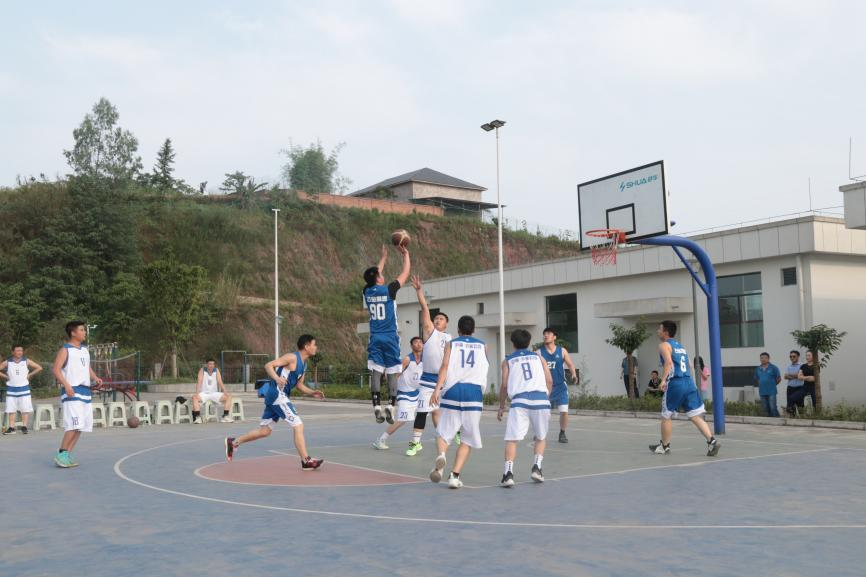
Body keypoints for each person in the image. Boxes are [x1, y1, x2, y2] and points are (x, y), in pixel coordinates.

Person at [225, 335, 324, 470]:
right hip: (278, 395)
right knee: (298, 425)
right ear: (306, 346)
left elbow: (299, 385)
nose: (316, 347)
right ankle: (305, 460)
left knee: (265, 431)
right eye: (314, 344)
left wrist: (312, 392)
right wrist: (277, 378)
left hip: (277, 397)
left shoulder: (304, 364)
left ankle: (234, 442)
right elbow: (268, 365)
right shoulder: (292, 358)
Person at [429, 315, 489, 489]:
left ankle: (442, 455)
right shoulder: (483, 345)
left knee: (443, 432)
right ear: (473, 329)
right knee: (467, 438)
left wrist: (437, 389)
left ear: (458, 329)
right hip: (473, 393)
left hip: (453, 391)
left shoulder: (451, 344)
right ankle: (454, 476)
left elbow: (445, 366)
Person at [649, 320, 720, 457]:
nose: (657, 331)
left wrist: (663, 380)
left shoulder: (664, 345)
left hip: (676, 383)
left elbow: (668, 363)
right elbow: (690, 366)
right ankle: (712, 441)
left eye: (659, 329)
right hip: (689, 382)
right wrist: (691, 383)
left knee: (666, 415)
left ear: (665, 332)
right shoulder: (681, 347)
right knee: (694, 415)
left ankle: (664, 446)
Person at [498, 329, 553, 487]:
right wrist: (546, 397)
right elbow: (549, 381)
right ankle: (537, 468)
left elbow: (504, 385)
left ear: (513, 343)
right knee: (540, 437)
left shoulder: (508, 360)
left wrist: (501, 406)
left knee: (512, 439)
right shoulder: (539, 357)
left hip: (520, 401)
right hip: (541, 399)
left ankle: (508, 474)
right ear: (529, 343)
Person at [363, 244, 411, 424]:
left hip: (375, 336)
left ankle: (376, 407)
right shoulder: (389, 289)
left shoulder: (367, 291)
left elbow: (374, 274)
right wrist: (406, 255)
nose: (382, 274)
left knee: (376, 371)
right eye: (380, 274)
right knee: (392, 372)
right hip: (390, 336)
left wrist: (383, 258)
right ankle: (390, 406)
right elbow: (405, 273)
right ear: (378, 278)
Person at [409, 275, 453, 456]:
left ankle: (446, 437)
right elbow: (425, 308)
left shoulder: (450, 338)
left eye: (441, 319)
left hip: (445, 381)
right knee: (422, 411)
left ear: (446, 324)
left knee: (439, 412)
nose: (437, 320)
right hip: (428, 381)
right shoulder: (430, 332)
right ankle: (415, 443)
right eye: (436, 318)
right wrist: (419, 291)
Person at [52, 321, 103, 468]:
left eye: (84, 330)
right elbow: (56, 370)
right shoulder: (65, 350)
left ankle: (66, 455)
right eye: (81, 330)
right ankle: (61, 453)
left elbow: (87, 367)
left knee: (80, 426)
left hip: (85, 391)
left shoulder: (84, 350)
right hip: (72, 390)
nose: (84, 332)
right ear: (73, 333)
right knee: (73, 425)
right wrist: (66, 385)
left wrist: (95, 378)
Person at [371, 337, 424, 450]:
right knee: (402, 419)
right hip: (404, 393)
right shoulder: (407, 359)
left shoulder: (425, 359)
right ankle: (381, 440)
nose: (419, 344)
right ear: (411, 346)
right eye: (416, 342)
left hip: (417, 393)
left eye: (420, 342)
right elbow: (393, 377)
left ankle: (417, 441)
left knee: (426, 413)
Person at [538, 328, 578, 443]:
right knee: (543, 413)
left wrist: (574, 374)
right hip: (546, 388)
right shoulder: (539, 353)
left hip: (560, 386)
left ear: (554, 337)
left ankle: (562, 433)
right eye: (544, 334)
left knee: (564, 411)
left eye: (548, 333)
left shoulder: (562, 351)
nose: (546, 335)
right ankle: (540, 432)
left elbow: (570, 364)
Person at [0, 345, 42, 434]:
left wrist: (30, 374)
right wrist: (6, 376)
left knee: (25, 409)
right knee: (11, 409)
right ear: (12, 352)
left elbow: (39, 367)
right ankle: (11, 428)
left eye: (21, 351)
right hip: (11, 390)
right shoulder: (7, 362)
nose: (20, 352)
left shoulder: (26, 361)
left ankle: (24, 427)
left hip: (24, 389)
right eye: (17, 350)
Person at [191, 358, 233, 424]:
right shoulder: (202, 370)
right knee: (194, 397)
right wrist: (197, 393)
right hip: (204, 393)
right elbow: (199, 382)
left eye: (213, 364)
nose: (211, 365)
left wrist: (225, 392)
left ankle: (225, 416)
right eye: (210, 364)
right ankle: (198, 418)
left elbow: (220, 381)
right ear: (206, 364)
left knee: (229, 396)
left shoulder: (216, 370)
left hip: (214, 393)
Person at [753, 352, 781, 417]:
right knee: (765, 409)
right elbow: (757, 379)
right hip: (762, 392)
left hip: (772, 391)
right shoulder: (758, 369)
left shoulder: (773, 367)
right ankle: (769, 421)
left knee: (773, 407)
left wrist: (772, 385)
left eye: (765, 358)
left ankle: (777, 420)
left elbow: (779, 378)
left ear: (768, 359)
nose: (763, 359)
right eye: (761, 358)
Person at [784, 350, 805, 416]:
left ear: (798, 357)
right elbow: (785, 376)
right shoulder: (788, 366)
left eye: (794, 356)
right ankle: (792, 419)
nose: (792, 358)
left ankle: (802, 419)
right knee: (791, 407)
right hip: (790, 388)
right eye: (790, 356)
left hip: (799, 388)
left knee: (800, 406)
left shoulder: (802, 365)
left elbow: (800, 376)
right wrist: (796, 375)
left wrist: (790, 375)